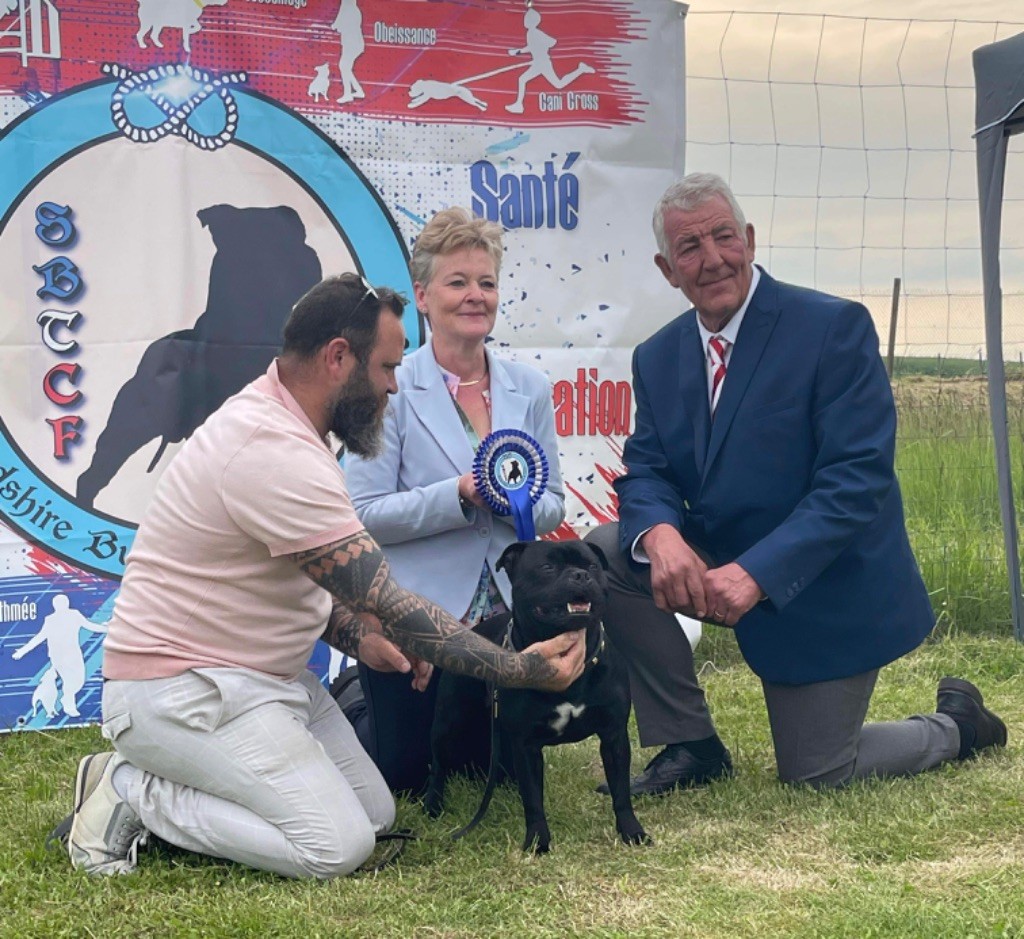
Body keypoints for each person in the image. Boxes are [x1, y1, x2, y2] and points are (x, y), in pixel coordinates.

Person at [65, 273, 585, 879]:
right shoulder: (271, 448)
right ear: (339, 357)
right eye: (387, 368)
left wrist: (362, 640)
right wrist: (521, 669)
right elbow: (389, 603)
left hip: (265, 682)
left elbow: (315, 587)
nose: (394, 386)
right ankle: (132, 790)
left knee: (375, 812)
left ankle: (183, 786)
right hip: (184, 691)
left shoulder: (292, 429)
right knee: (334, 847)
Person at [585, 172, 1007, 795]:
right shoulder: (657, 356)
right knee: (607, 549)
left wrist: (758, 574)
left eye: (722, 237)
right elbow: (648, 467)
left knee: (817, 771)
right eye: (689, 248)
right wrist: (660, 532)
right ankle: (690, 743)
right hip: (717, 564)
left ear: (749, 240)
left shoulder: (831, 328)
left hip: (820, 582)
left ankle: (957, 725)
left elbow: (855, 483)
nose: (711, 259)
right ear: (667, 269)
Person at [344, 207, 565, 793]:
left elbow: (554, 504)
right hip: (419, 618)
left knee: (491, 771)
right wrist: (460, 496)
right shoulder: (387, 388)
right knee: (405, 777)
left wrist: (509, 504)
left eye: (486, 282)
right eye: (458, 282)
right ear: (421, 295)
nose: (476, 296)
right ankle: (352, 705)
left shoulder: (531, 388)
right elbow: (361, 517)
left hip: (510, 617)